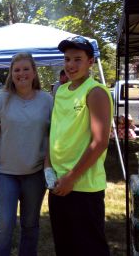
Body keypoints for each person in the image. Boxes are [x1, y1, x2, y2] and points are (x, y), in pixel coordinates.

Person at [47, 36, 112, 256]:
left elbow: (100, 141)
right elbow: (54, 131)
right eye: (67, 59)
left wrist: (72, 177)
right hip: (58, 182)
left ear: (90, 61)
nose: (71, 65)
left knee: (89, 248)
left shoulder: (95, 92)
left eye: (77, 59)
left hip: (83, 187)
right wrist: (48, 166)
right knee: (64, 247)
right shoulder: (62, 91)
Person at [0, 52, 53, 256]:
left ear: (34, 72)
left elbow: (53, 136)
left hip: (35, 173)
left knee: (30, 225)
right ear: (11, 74)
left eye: (26, 69)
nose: (21, 73)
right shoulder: (0, 99)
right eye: (17, 70)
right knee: (3, 225)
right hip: (5, 173)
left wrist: (49, 167)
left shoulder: (47, 100)